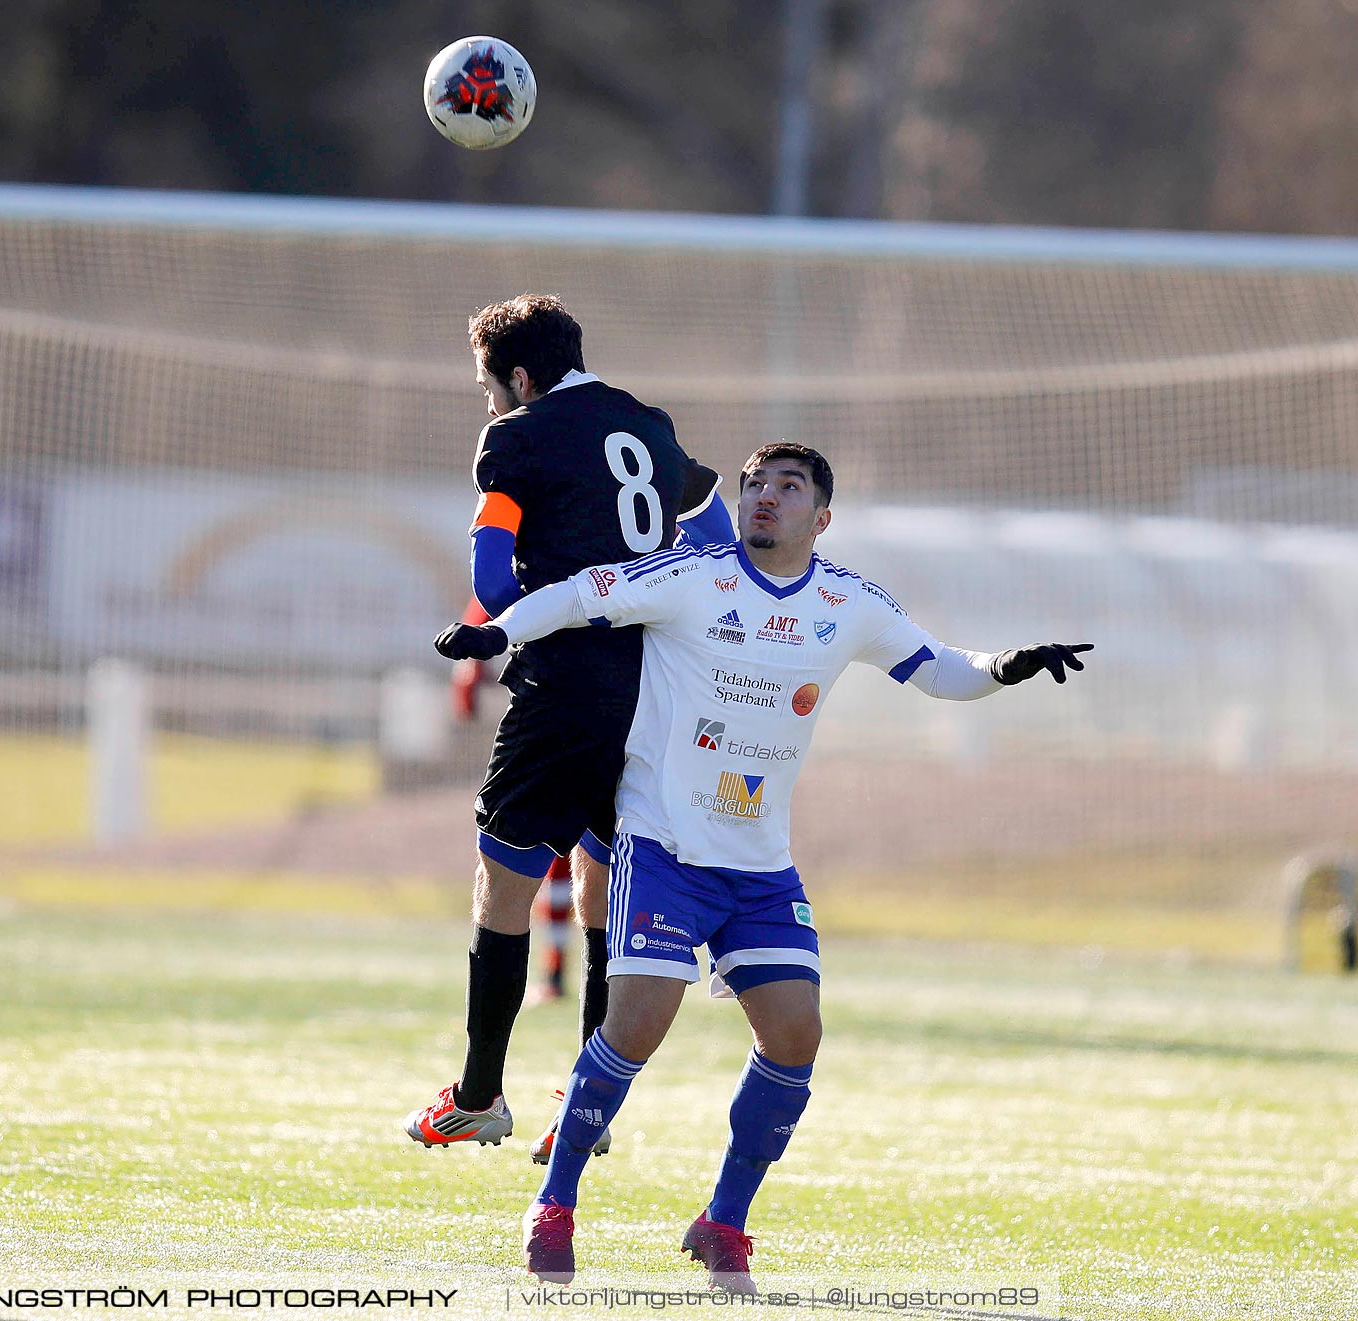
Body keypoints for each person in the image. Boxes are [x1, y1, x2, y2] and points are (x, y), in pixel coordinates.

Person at [434, 442, 1091, 1287]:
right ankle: (555, 1204)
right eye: (753, 485)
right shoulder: (693, 575)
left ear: (822, 517)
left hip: (760, 868)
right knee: (635, 1024)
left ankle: (723, 1223)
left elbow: (938, 668)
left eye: (788, 488)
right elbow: (580, 594)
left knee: (795, 1034)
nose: (763, 498)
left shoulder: (846, 601)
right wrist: (498, 627)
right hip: (664, 847)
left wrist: (1006, 667)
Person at [404, 295, 734, 1155]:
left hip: (564, 688)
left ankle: (479, 1095)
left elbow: (492, 570)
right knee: (602, 890)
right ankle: (587, 1110)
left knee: (503, 883)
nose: (488, 405)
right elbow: (712, 530)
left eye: (489, 387)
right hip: (653, 691)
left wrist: (511, 624)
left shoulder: (516, 437)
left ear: (519, 376)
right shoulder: (649, 425)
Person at [451, 597, 574, 1006]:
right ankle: (565, 970)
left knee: (542, 852)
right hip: (614, 711)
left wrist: (468, 682)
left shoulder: (542, 546)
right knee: (589, 855)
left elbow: (492, 591)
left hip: (548, 712)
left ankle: (558, 970)